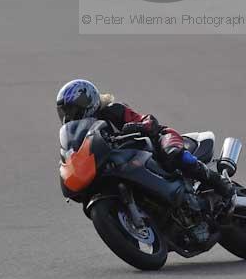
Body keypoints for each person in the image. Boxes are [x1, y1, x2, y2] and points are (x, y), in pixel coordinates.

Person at [56, 78, 234, 199]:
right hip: (123, 164)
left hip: (155, 140)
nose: (70, 116)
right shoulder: (82, 134)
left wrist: (140, 125)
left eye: (73, 110)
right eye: (65, 112)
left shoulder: (113, 110)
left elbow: (145, 119)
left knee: (172, 153)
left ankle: (217, 181)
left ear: (88, 101)